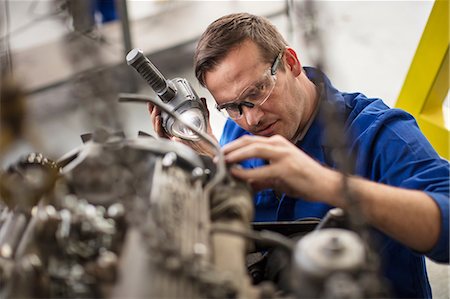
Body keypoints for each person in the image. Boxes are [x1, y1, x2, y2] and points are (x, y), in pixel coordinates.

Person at [148, 12, 449, 298]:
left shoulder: (380, 133)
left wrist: (329, 184)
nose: (252, 119)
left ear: (290, 63)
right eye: (232, 107)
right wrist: (209, 159)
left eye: (256, 92)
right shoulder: (238, 134)